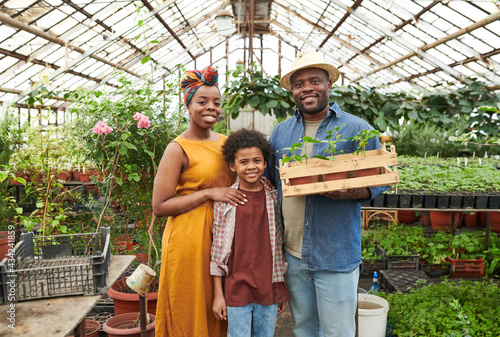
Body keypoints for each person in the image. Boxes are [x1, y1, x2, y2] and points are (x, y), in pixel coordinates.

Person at [267, 50, 388, 337]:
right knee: (305, 328)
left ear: (329, 85)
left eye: (314, 81)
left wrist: (351, 191)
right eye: (299, 84)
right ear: (293, 92)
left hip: (335, 253)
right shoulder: (280, 133)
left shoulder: (356, 128)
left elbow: (380, 177)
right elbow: (272, 184)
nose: (307, 88)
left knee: (338, 331)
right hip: (293, 254)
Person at [152, 66, 247, 337]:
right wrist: (208, 193)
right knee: (191, 303)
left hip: (223, 234)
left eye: (216, 102)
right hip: (189, 238)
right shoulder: (177, 148)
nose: (211, 108)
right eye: (202, 102)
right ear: (188, 105)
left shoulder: (226, 143)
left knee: (219, 305)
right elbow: (160, 206)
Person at [210, 128, 289, 337]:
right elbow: (217, 253)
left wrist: (279, 288)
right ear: (232, 166)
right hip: (236, 290)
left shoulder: (273, 197)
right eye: (243, 162)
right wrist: (219, 295)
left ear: (265, 163)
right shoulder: (226, 202)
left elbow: (278, 246)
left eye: (257, 160)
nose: (251, 166)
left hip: (268, 289)